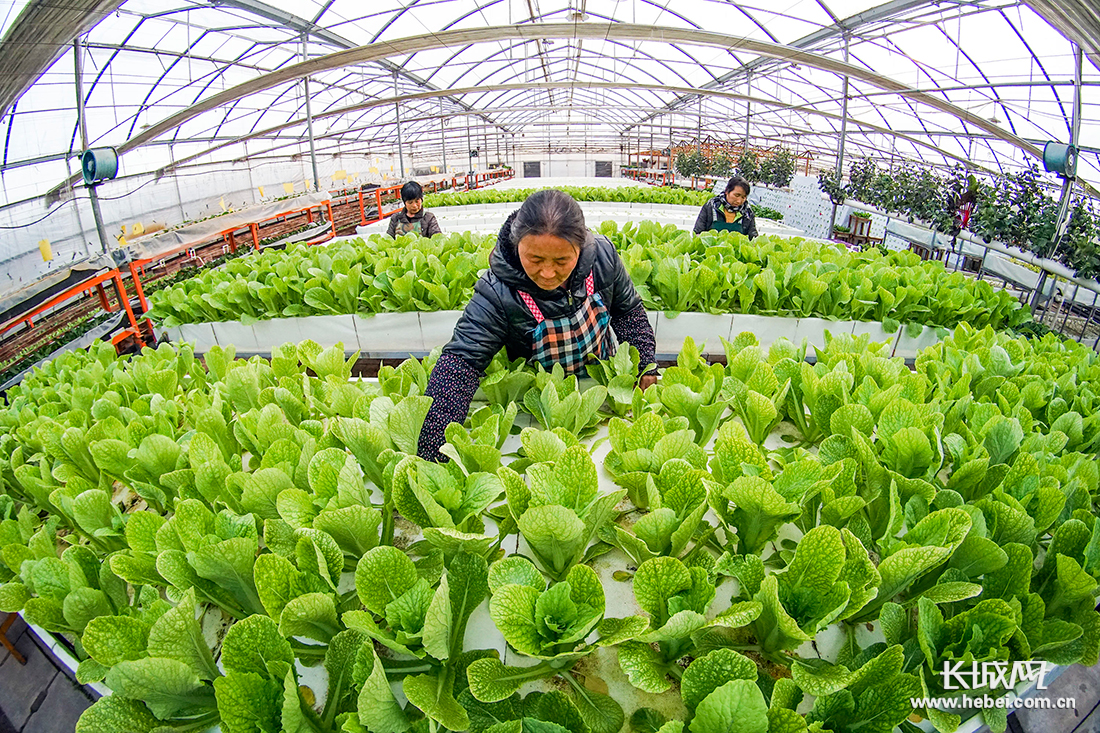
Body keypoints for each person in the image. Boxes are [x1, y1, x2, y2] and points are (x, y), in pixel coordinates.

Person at [417, 189, 658, 461]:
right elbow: (461, 362)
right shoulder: (498, 290)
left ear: (580, 247)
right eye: (535, 259)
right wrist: (433, 453)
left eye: (561, 261)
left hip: (602, 388)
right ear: (516, 243)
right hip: (541, 404)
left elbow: (628, 312)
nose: (547, 273)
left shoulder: (602, 258)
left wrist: (645, 364)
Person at [693, 176, 758, 238]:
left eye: (743, 197)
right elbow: (698, 232)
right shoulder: (711, 206)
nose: (739, 201)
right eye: (736, 195)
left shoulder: (747, 213)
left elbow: (753, 238)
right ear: (727, 191)